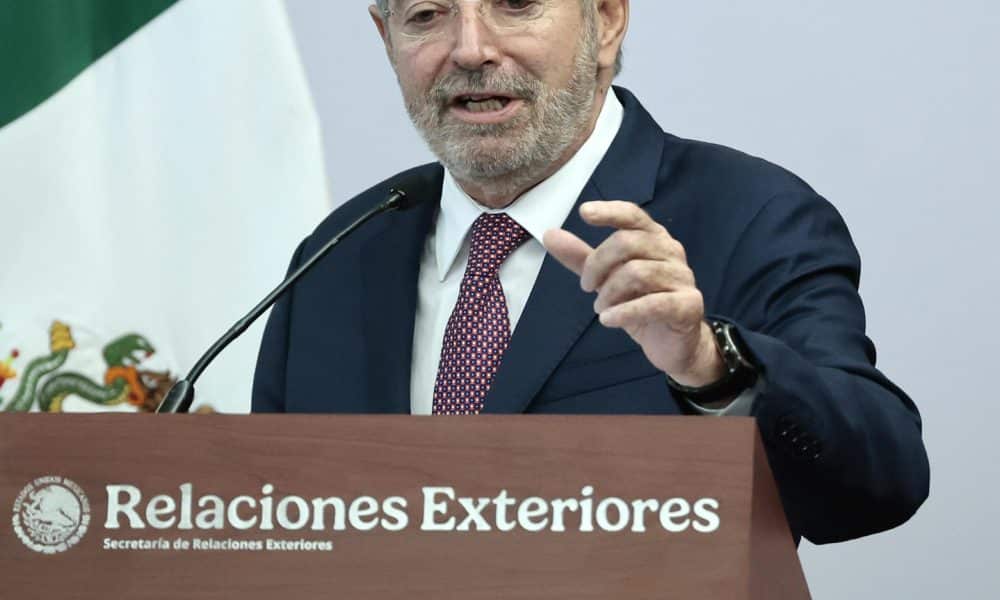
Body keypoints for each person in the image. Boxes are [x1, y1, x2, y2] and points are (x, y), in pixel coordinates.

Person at [252, 0, 929, 544]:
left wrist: (709, 364)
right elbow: (277, 530)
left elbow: (876, 488)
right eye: (427, 15)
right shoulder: (337, 255)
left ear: (606, 20)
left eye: (515, 5)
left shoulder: (749, 215)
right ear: (385, 37)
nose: (469, 48)